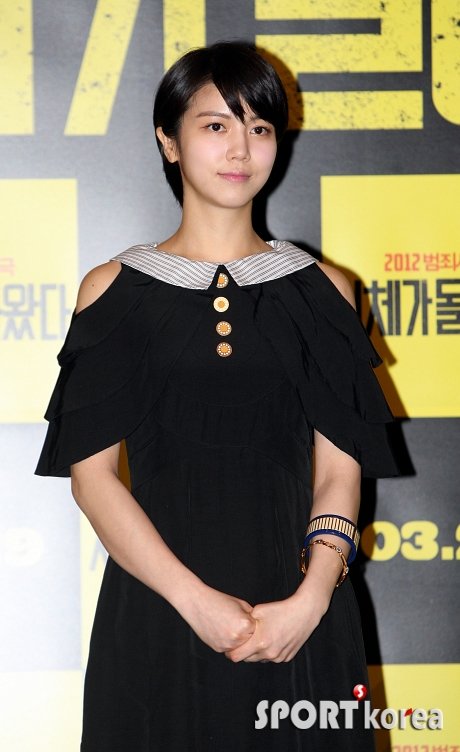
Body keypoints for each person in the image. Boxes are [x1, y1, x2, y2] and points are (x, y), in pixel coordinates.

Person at [36, 41, 399, 751]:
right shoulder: (113, 291)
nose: (241, 148)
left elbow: (339, 471)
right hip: (159, 613)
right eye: (215, 125)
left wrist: (311, 601)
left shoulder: (326, 290)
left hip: (302, 618)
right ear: (168, 141)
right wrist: (194, 601)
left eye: (259, 127)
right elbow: (93, 479)